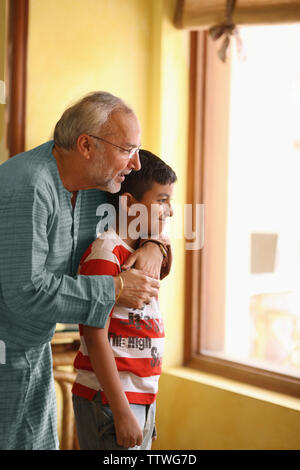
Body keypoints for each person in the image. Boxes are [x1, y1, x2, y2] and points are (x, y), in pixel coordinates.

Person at [0, 92, 171, 450]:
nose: (136, 164)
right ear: (86, 146)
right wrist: (114, 289)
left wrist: (156, 246)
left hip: (33, 355)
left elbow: (150, 211)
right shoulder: (28, 185)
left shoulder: (101, 187)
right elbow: (24, 292)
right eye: (128, 150)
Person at [72, 149, 177, 450]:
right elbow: (94, 336)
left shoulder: (141, 251)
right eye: (162, 200)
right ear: (130, 204)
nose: (170, 211)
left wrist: (155, 244)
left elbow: (166, 257)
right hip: (110, 399)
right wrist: (121, 410)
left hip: (139, 396)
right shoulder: (106, 254)